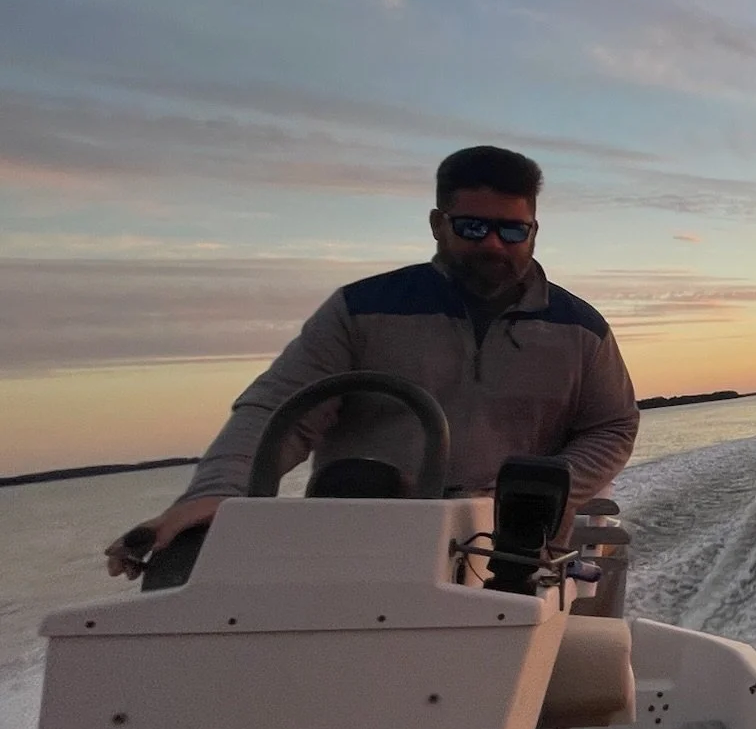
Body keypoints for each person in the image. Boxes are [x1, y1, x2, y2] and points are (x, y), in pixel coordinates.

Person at [106, 145, 640, 575]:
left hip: (515, 560)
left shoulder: (582, 328)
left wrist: (531, 492)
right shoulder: (360, 311)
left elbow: (612, 426)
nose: (495, 245)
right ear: (438, 223)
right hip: (358, 558)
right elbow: (278, 411)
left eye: (512, 230)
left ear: (533, 231)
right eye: (473, 228)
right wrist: (221, 492)